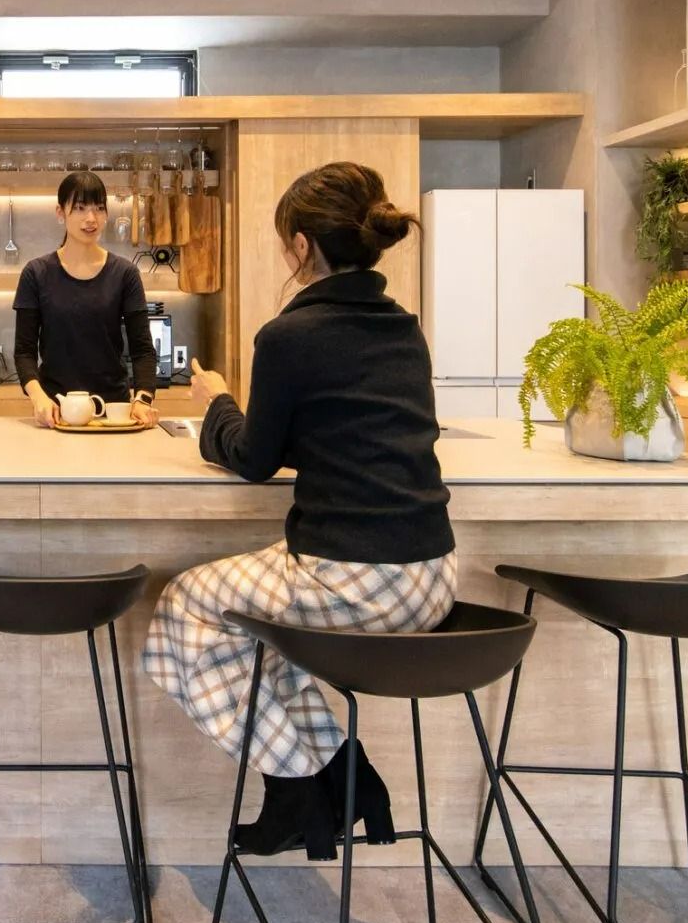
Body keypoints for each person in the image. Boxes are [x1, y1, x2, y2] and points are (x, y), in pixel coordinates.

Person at [141, 161, 455, 860]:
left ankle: (298, 787)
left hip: (352, 580)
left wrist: (216, 402)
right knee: (262, 632)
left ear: (303, 246)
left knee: (187, 605)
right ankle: (346, 776)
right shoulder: (403, 327)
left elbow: (252, 457)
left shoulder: (291, 335)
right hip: (433, 577)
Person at [13, 171, 160, 428]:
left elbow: (143, 350)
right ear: (60, 213)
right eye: (79, 208)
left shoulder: (125, 273)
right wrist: (39, 399)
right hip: (57, 413)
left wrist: (143, 399)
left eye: (99, 208)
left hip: (114, 414)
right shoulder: (36, 273)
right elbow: (24, 352)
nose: (90, 218)